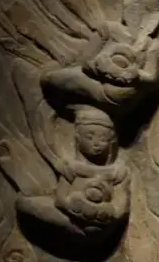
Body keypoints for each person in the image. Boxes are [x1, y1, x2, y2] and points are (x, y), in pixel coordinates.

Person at [15, 105, 129, 246]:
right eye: (89, 137)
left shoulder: (117, 172)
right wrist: (74, 207)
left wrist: (109, 212)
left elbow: (122, 205)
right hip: (74, 215)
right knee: (25, 203)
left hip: (102, 221)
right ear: (78, 138)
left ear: (111, 142)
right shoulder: (72, 168)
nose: (96, 144)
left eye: (102, 139)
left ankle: (88, 235)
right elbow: (61, 198)